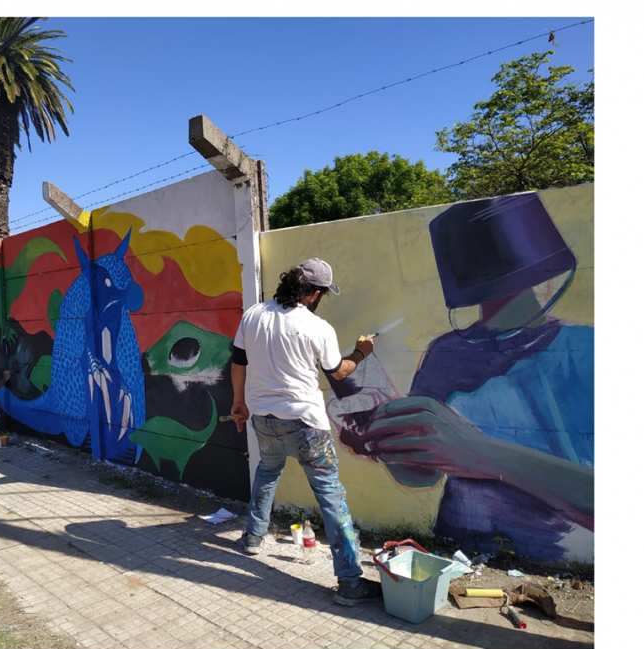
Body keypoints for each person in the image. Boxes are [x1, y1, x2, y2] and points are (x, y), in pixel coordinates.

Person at [340, 193, 593, 562]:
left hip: (559, 555)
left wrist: (479, 453)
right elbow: (424, 475)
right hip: (457, 547)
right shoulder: (444, 352)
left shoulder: (585, 349)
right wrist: (384, 446)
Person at [230, 258, 381, 606]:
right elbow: (339, 371)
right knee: (331, 495)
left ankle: (252, 539)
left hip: (264, 419)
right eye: (322, 294)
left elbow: (239, 362)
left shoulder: (252, 315)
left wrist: (239, 402)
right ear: (313, 293)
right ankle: (350, 583)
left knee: (267, 472)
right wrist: (362, 351)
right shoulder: (317, 327)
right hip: (305, 425)